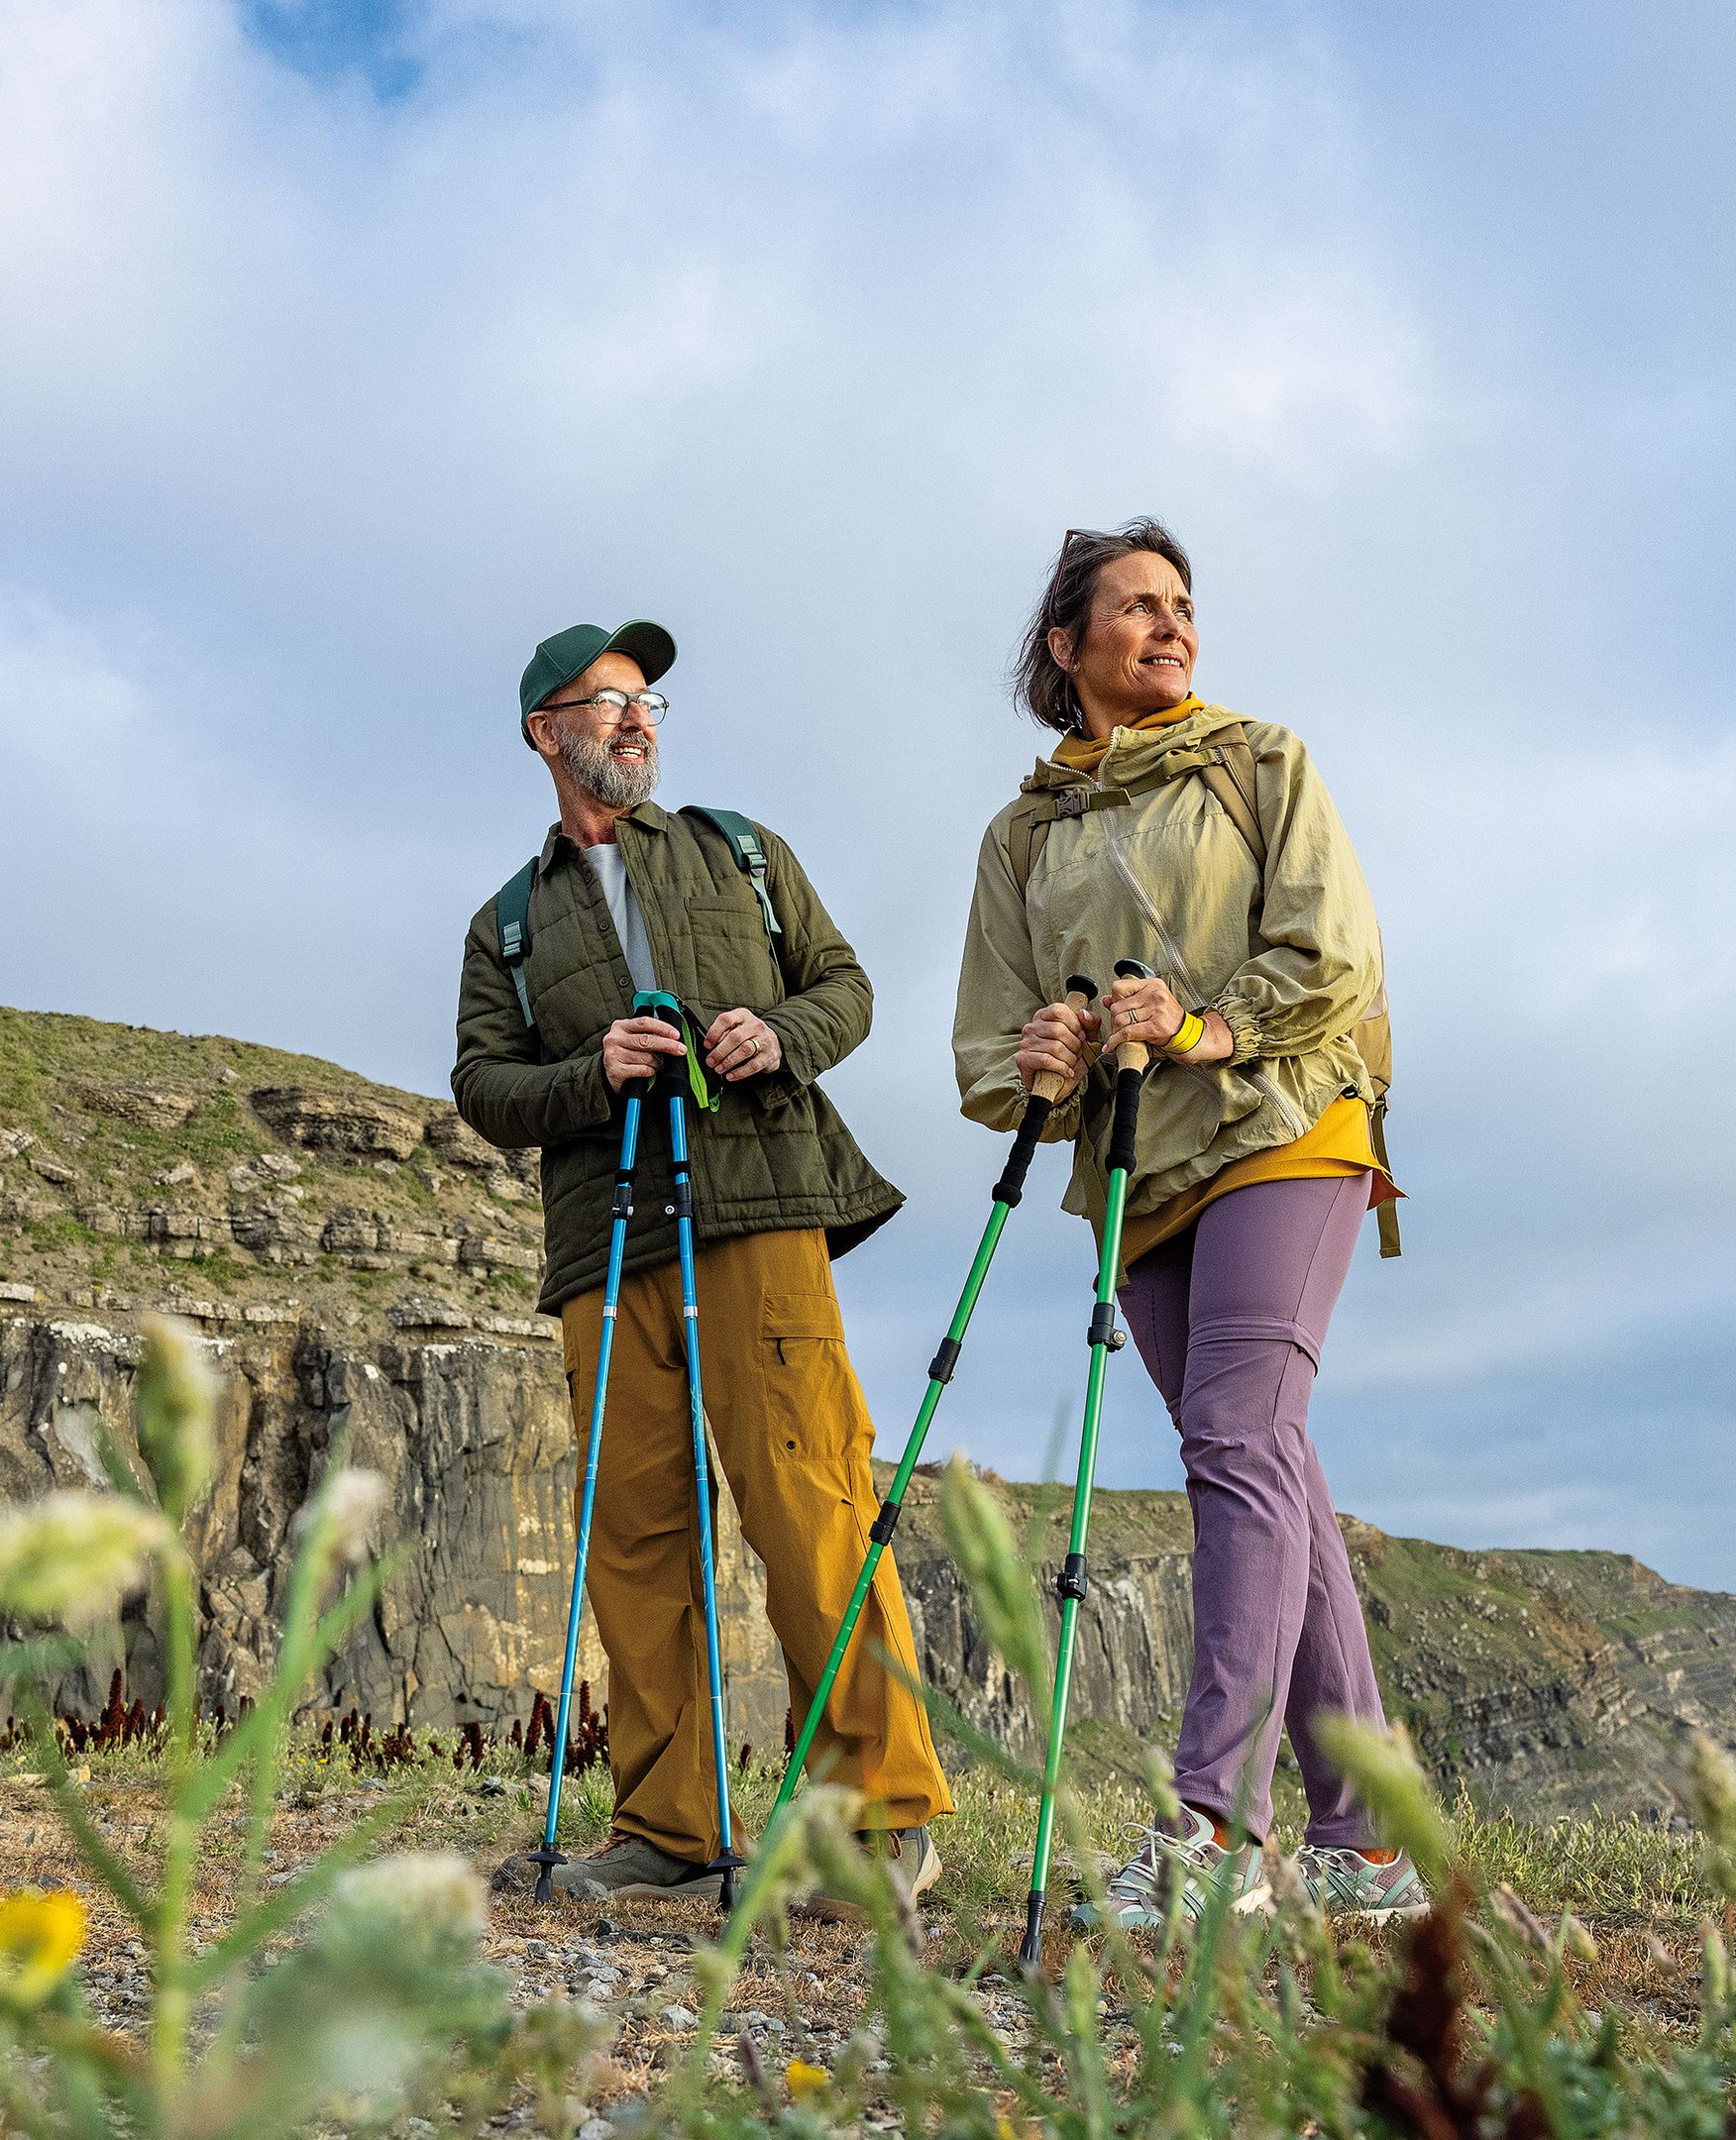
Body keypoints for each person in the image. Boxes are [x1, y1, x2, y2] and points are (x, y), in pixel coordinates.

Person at [948, 522, 1420, 1926]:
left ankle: (1216, 1833)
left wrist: (1200, 1022)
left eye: (1183, 607)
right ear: (1065, 645)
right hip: (1138, 1172)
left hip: (1286, 1123)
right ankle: (1370, 1845)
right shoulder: (1022, 834)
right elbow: (988, 1047)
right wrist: (1043, 1051)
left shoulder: (1257, 761)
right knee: (1265, 1455)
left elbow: (1333, 955)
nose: (1171, 627)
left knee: (1234, 1438)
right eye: (1137, 608)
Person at [455, 617, 951, 1910]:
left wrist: (775, 1034)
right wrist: (591, 1071)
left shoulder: (746, 852)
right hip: (605, 1247)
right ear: (544, 732)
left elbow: (845, 986)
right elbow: (482, 1087)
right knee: (635, 1535)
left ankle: (879, 1817)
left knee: (813, 1504)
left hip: (760, 1210)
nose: (636, 718)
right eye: (607, 700)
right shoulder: (505, 928)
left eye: (649, 699)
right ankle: (669, 1833)